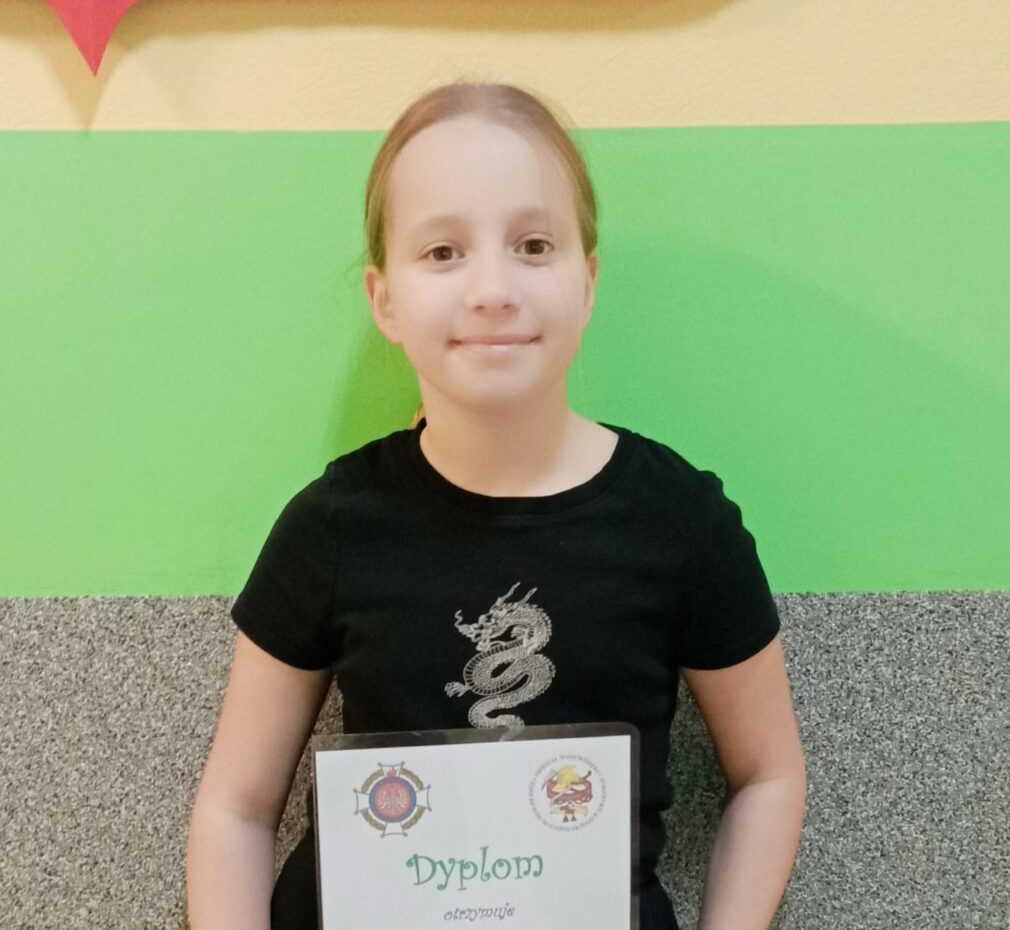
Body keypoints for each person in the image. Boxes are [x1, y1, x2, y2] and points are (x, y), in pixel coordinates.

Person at [186, 79, 806, 930]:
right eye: (443, 251)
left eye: (534, 245)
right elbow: (236, 807)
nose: (492, 288)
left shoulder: (680, 522)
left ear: (588, 282)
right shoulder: (331, 527)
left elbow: (770, 774)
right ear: (385, 299)